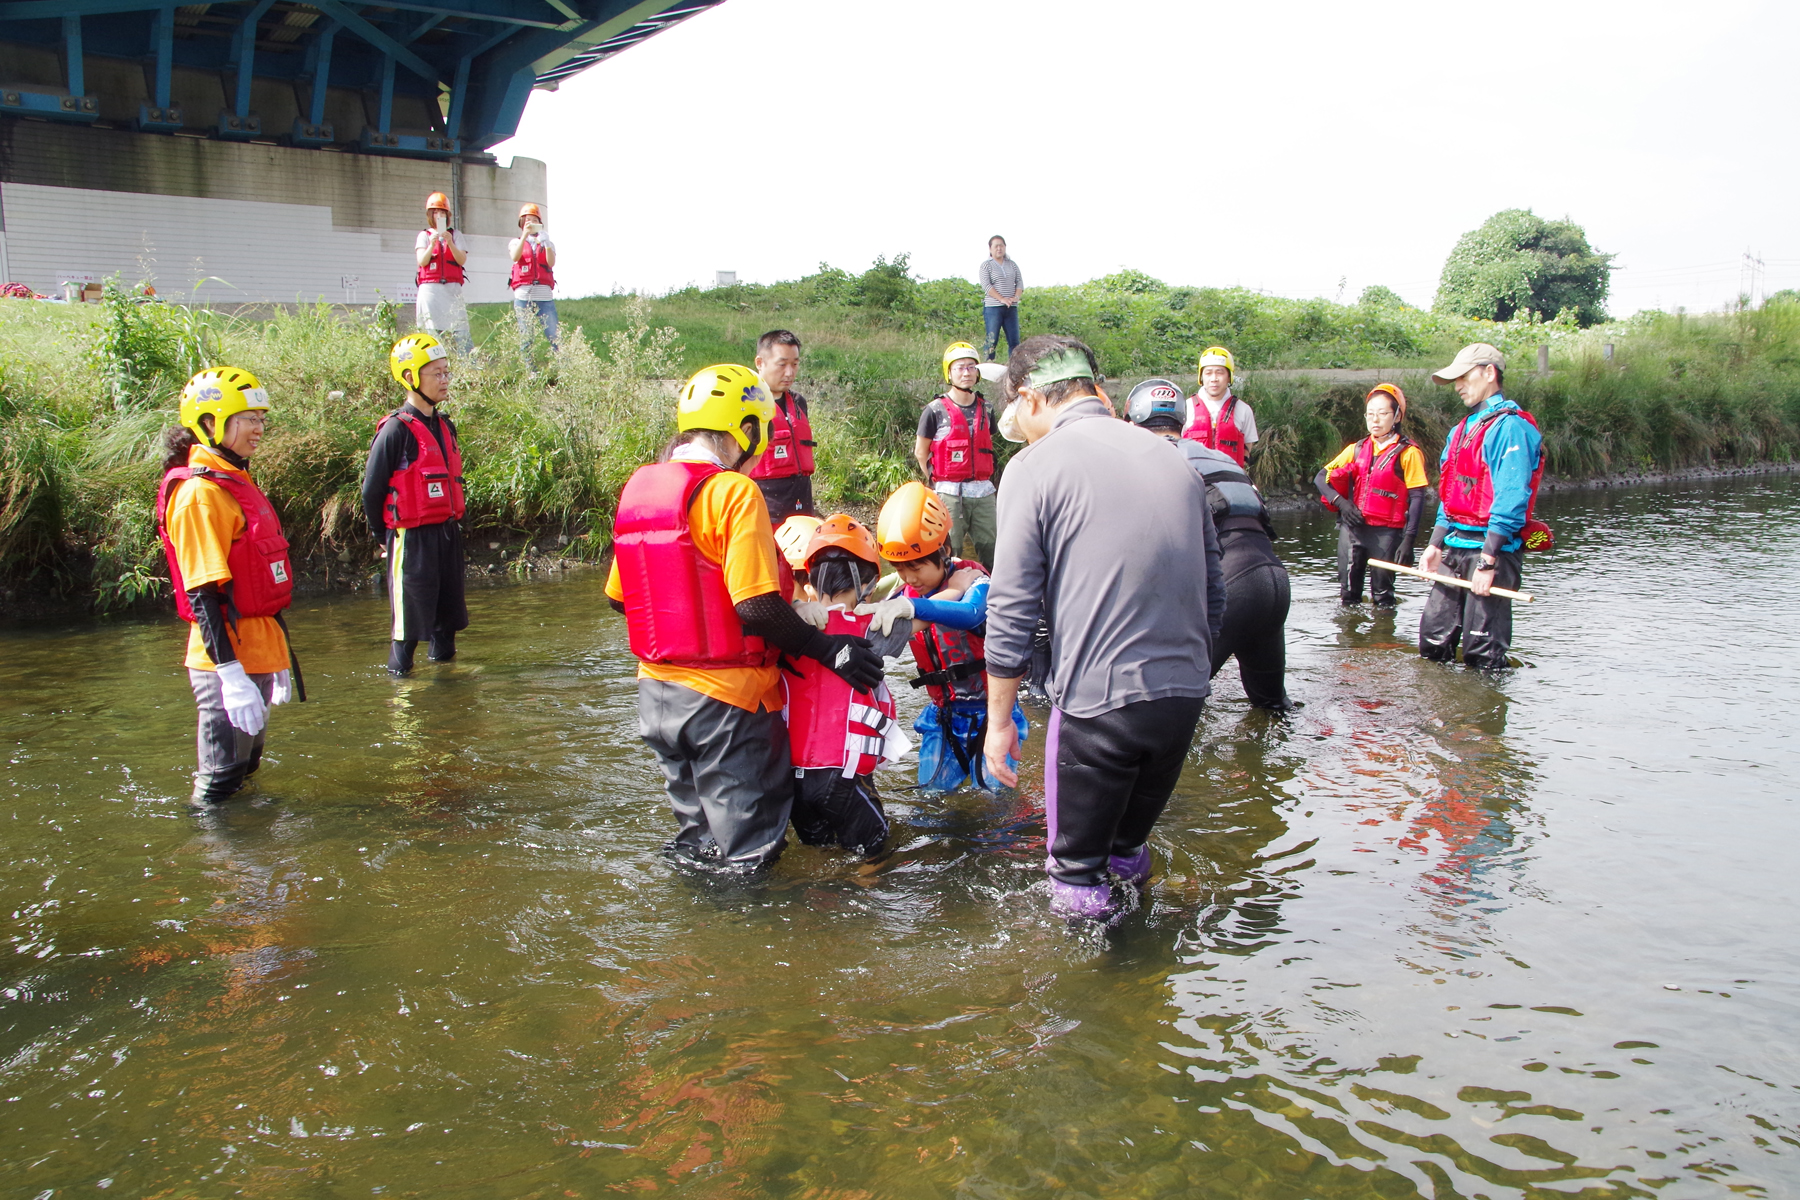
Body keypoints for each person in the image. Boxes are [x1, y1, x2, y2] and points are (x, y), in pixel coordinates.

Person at [606, 364, 883, 873]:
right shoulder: (733, 492)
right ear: (747, 429)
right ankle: (742, 946)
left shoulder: (640, 488)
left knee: (698, 839)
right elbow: (754, 607)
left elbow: (622, 600)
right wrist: (831, 649)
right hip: (727, 703)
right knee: (749, 851)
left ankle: (694, 934)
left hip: (657, 696)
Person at [980, 337, 1218, 919]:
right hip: (1183, 696)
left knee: (1076, 872)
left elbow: (1011, 607)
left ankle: (1088, 997)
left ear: (1031, 397)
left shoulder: (1032, 467)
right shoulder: (1174, 457)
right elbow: (1215, 592)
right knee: (1127, 848)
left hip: (1098, 706)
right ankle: (1142, 973)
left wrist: (999, 722)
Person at [153, 367, 298, 806]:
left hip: (257, 648)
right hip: (226, 661)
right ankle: (218, 863)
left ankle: (253, 861)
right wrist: (230, 675)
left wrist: (278, 659)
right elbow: (202, 591)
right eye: (247, 418)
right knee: (219, 781)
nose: (259, 428)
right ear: (211, 423)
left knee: (245, 771)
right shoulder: (200, 494)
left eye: (260, 417)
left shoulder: (234, 480)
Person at [1124, 379, 1287, 710]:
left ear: (1132, 423)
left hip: (1232, 586)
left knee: (1160, 706)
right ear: (1181, 421)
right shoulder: (1220, 458)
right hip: (1274, 583)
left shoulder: (1148, 459)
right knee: (1271, 708)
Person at [864, 481, 1028, 793]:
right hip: (945, 716)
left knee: (995, 802)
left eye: (917, 566)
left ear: (945, 551)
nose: (910, 577)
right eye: (900, 568)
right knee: (931, 799)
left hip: (993, 712)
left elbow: (972, 614)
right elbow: (875, 636)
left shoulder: (975, 580)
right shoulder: (902, 594)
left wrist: (913, 605)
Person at [785, 515, 914, 857]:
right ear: (869, 582)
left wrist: (793, 607)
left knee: (822, 861)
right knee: (877, 857)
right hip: (841, 780)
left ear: (809, 578)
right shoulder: (875, 625)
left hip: (793, 784)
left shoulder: (786, 628)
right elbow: (965, 612)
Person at [1419, 343, 1545, 670]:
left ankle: (1482, 717)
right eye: (1454, 379)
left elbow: (1511, 497)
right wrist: (1435, 544)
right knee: (1433, 642)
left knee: (1482, 655)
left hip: (1493, 551)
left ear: (1489, 373)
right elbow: (1450, 494)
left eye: (1463, 376)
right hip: (1455, 546)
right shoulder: (1459, 431)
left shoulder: (1511, 428)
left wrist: (1488, 562)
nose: (1458, 385)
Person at [361, 333, 469, 677]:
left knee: (446, 627)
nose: (444, 380)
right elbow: (371, 491)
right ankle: (401, 693)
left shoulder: (444, 425)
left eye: (446, 372)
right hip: (411, 540)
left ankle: (448, 695)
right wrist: (384, 536)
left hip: (447, 535)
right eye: (436, 373)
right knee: (407, 633)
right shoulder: (395, 430)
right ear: (410, 377)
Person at [1315, 384, 1429, 607]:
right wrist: (1343, 505)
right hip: (1353, 528)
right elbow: (1321, 478)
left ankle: (1382, 639)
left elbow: (1417, 497)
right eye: (1370, 414)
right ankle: (1349, 640)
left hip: (1386, 533)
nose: (1375, 420)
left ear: (1396, 417)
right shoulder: (1356, 449)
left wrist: (1409, 541)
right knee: (1348, 596)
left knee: (1383, 596)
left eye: (1383, 413)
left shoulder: (1409, 453)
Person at [913, 341, 999, 568]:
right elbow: (921, 452)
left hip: (983, 492)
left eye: (971, 367)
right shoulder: (934, 410)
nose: (966, 372)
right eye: (960, 367)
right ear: (949, 372)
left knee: (992, 547)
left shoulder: (987, 408)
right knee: (951, 550)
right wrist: (936, 483)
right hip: (949, 492)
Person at [746, 330, 817, 527]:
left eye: (795, 364)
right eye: (782, 364)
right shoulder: (746, 404)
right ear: (760, 363)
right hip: (764, 503)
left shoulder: (798, 402)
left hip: (801, 500)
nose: (790, 372)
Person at [1181, 346, 1258, 467]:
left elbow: (1248, 446)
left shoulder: (1243, 410)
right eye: (1208, 373)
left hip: (1229, 479)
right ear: (1201, 377)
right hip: (1195, 480)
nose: (1214, 379)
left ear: (1229, 377)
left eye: (1220, 372)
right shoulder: (1185, 407)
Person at [414, 191, 471, 353]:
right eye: (435, 212)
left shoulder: (456, 235)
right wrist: (432, 244)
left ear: (447, 214)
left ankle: (467, 368)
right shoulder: (424, 236)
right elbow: (422, 261)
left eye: (442, 212)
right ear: (430, 215)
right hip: (431, 291)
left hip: (452, 289)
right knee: (432, 334)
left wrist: (450, 242)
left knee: (461, 333)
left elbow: (461, 260)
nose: (439, 215)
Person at [508, 202, 558, 370]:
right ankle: (531, 370)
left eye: (534, 219)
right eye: (527, 220)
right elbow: (515, 257)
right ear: (522, 224)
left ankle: (563, 368)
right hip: (523, 296)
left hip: (545, 296)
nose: (530, 223)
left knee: (554, 334)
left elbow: (551, 263)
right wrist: (524, 237)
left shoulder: (547, 242)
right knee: (526, 336)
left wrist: (547, 244)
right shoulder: (515, 242)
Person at [979, 235, 1023, 361]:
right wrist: (1002, 299)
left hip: (1011, 308)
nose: (999, 248)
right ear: (990, 249)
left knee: (1014, 341)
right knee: (992, 340)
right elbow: (986, 286)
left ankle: (1015, 369)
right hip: (993, 308)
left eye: (1001, 245)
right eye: (996, 246)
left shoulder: (1012, 265)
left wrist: (1016, 297)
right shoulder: (986, 266)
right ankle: (988, 365)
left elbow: (1019, 282)